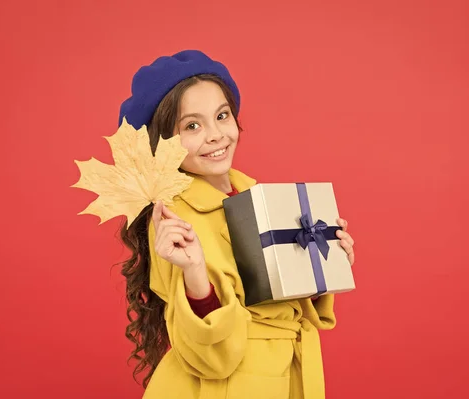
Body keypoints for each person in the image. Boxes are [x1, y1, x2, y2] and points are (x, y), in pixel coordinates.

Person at [117, 49, 355, 399]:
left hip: (286, 374)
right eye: (192, 125)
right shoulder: (171, 218)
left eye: (222, 115)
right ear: (163, 143)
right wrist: (194, 270)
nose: (216, 135)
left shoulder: (255, 194)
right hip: (226, 387)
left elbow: (278, 298)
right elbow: (207, 355)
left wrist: (325, 262)